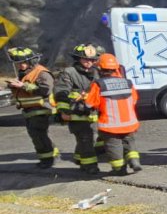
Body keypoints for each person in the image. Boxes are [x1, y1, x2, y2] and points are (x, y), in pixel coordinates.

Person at [84, 53, 141, 176]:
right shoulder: (128, 82)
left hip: (111, 124)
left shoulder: (99, 84)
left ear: (100, 69)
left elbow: (90, 104)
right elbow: (134, 100)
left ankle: (119, 169)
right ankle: (134, 160)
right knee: (129, 142)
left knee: (113, 146)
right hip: (130, 122)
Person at [6, 46, 58, 168]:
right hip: (30, 110)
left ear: (31, 61)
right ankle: (51, 154)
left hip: (41, 109)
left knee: (38, 134)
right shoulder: (25, 72)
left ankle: (47, 160)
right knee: (37, 135)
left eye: (23, 62)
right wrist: (12, 86)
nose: (20, 65)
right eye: (18, 63)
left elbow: (45, 90)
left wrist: (23, 86)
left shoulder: (42, 73)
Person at [55, 44, 102, 175]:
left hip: (92, 113)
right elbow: (61, 92)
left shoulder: (97, 72)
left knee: (88, 139)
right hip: (76, 113)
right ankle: (89, 166)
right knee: (86, 139)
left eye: (92, 60)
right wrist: (64, 111)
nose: (89, 62)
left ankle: (78, 157)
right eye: (85, 59)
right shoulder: (69, 72)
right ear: (77, 59)